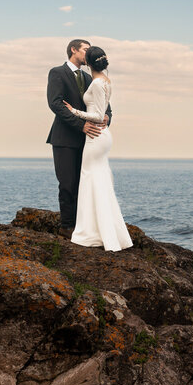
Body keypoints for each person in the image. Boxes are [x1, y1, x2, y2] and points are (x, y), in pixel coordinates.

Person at [63, 46, 133, 251]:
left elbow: (97, 115)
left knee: (90, 177)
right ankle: (104, 230)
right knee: (98, 178)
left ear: (90, 63)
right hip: (102, 136)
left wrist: (73, 110)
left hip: (95, 136)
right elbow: (103, 113)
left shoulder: (96, 83)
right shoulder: (105, 81)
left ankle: (91, 232)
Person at [46, 39, 112, 238]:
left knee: (85, 184)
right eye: (85, 49)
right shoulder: (57, 72)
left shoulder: (90, 76)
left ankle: (84, 226)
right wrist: (80, 125)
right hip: (65, 138)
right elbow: (56, 104)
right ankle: (67, 227)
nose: (88, 53)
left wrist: (108, 117)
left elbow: (104, 103)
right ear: (73, 50)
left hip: (90, 139)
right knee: (67, 184)